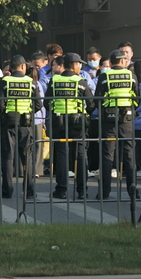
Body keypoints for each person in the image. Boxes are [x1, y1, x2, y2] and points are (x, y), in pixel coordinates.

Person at [45, 53, 94, 200]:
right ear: (74, 65)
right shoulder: (81, 82)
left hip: (59, 122)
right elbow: (91, 103)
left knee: (62, 155)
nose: (80, 67)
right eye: (79, 64)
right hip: (77, 123)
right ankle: (82, 190)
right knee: (80, 154)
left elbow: (46, 102)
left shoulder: (54, 80)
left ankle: (61, 189)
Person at [94, 49, 139, 200]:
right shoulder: (131, 76)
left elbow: (98, 98)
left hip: (109, 119)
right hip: (127, 119)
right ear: (122, 61)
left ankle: (104, 192)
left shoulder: (104, 76)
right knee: (129, 154)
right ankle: (133, 191)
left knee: (107, 154)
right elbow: (137, 98)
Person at [0, 55, 42, 199]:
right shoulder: (31, 82)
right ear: (23, 67)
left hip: (9, 124)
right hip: (26, 124)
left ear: (10, 67)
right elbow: (38, 104)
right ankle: (29, 191)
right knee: (27, 157)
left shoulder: (5, 82)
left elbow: (0, 103)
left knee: (8, 157)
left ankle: (7, 191)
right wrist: (28, 113)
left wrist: (5, 116)